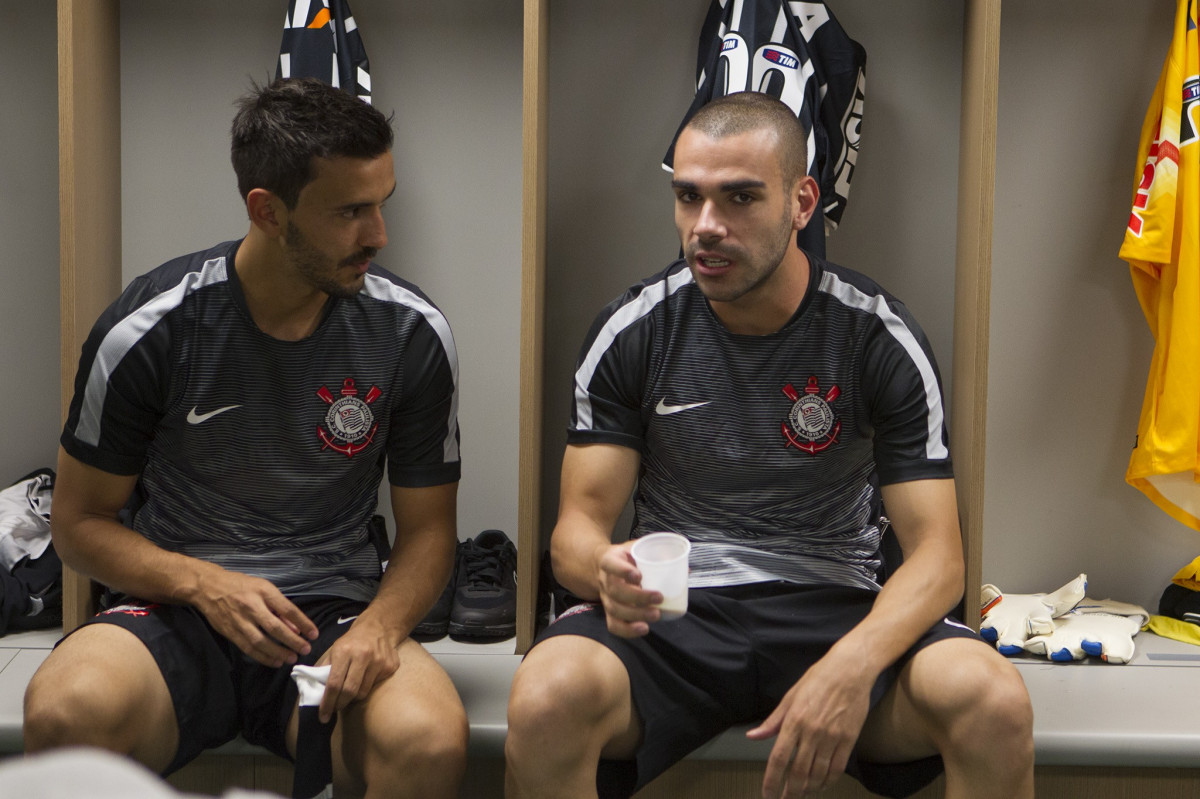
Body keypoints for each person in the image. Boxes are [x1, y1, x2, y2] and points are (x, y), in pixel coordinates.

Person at [504, 92, 1034, 799]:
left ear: (802, 201)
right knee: (545, 697)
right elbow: (574, 530)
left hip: (836, 605)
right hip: (677, 619)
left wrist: (849, 668)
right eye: (688, 197)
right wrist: (603, 568)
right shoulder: (633, 331)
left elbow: (940, 559)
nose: (706, 227)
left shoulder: (876, 336)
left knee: (993, 701)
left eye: (740, 198)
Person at [23, 78, 468, 799]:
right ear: (267, 211)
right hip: (175, 604)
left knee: (427, 738)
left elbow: (428, 534)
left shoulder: (410, 331)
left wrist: (380, 629)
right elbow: (77, 526)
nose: (378, 234)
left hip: (330, 612)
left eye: (382, 202)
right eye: (351, 211)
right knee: (65, 712)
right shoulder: (151, 328)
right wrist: (204, 583)